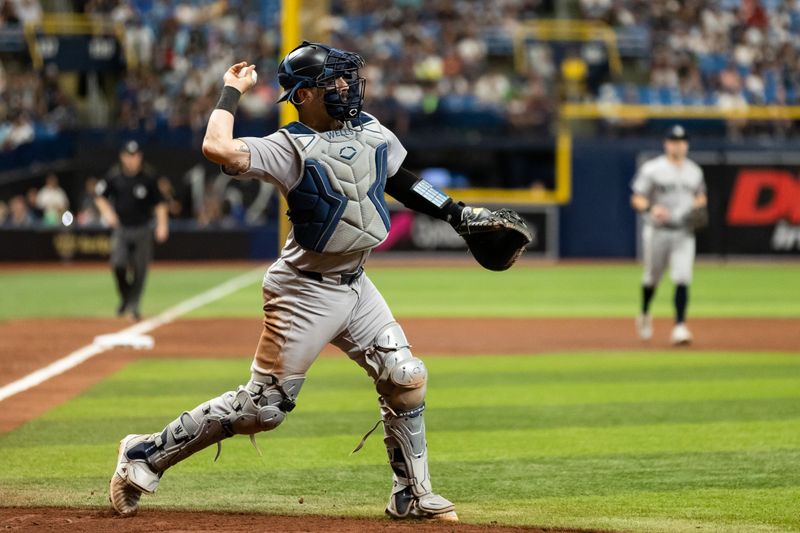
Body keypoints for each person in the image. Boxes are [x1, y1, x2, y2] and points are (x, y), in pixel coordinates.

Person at [109, 41, 507, 522]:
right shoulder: (288, 146)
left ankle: (412, 495)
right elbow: (216, 147)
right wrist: (231, 92)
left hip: (357, 285)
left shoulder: (371, 130)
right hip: (303, 290)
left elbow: (402, 180)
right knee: (263, 409)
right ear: (303, 96)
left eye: (346, 78)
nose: (345, 88)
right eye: (332, 82)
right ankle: (143, 455)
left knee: (406, 377)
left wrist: (456, 214)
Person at [631, 125, 707, 345]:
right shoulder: (652, 169)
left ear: (687, 144)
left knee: (682, 277)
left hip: (684, 231)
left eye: (682, 141)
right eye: (674, 141)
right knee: (652, 278)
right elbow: (637, 197)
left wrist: (698, 206)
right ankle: (644, 313)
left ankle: (680, 327)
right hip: (657, 231)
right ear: (666, 143)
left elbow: (701, 197)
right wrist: (650, 209)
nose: (678, 144)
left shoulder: (695, 171)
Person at [95, 140, 169, 320]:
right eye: (128, 156)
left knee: (140, 269)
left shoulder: (149, 178)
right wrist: (108, 213)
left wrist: (162, 225)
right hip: (122, 229)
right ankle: (126, 297)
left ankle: (134, 306)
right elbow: (100, 197)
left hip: (142, 228)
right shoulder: (114, 176)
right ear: (122, 157)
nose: (131, 160)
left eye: (135, 156)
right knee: (118, 264)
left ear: (140, 157)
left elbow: (160, 203)